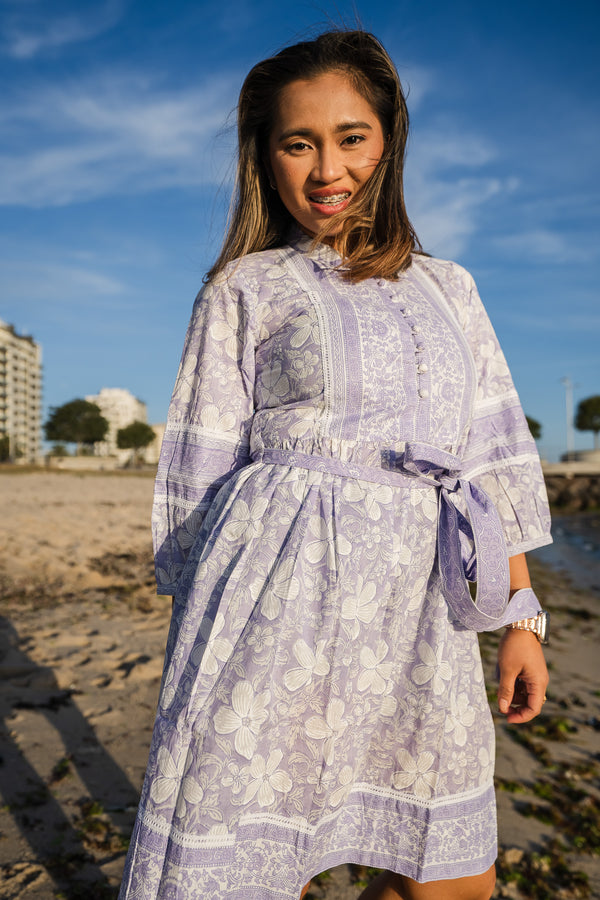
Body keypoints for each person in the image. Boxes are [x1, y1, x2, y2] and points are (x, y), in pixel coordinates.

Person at [119, 30, 551, 900]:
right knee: (238, 869)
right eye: (298, 141)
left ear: (388, 140)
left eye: (351, 136)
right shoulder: (245, 287)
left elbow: (491, 454)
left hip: (419, 615)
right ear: (266, 157)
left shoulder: (452, 287)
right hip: (274, 605)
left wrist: (523, 615)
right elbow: (200, 466)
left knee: (451, 880)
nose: (327, 168)